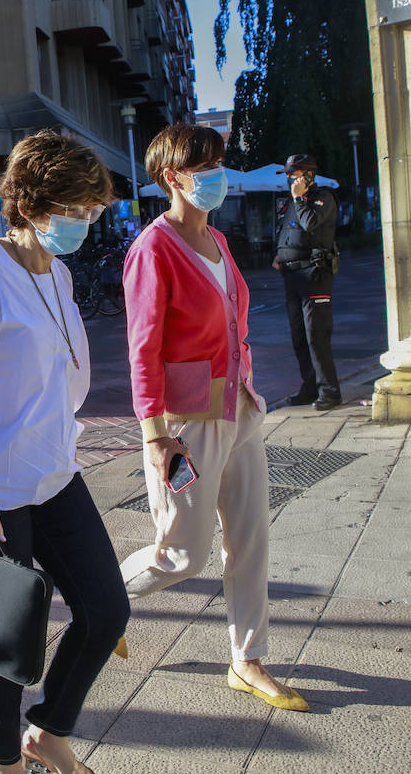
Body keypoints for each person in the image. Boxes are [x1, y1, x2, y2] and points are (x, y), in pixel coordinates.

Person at [0, 130, 128, 774]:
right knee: (8, 637)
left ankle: (48, 729)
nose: (88, 222)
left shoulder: (58, 272)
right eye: (78, 210)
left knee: (105, 608)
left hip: (53, 471)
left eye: (95, 211)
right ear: (34, 203)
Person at [121, 123, 309, 713]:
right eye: (205, 167)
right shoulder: (152, 248)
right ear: (172, 177)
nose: (217, 175)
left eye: (220, 163)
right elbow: (142, 349)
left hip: (240, 408)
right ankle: (98, 601)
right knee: (184, 553)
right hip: (186, 423)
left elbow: (234, 325)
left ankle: (248, 659)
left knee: (251, 538)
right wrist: (155, 435)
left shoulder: (220, 242)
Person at [272, 153, 341, 410]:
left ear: (309, 175)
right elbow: (290, 231)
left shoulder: (323, 198)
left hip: (316, 274)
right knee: (299, 335)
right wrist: (280, 253)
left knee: (316, 334)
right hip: (293, 275)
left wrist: (300, 198)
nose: (290, 179)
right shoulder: (293, 200)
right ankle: (310, 387)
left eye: (294, 174)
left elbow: (310, 223)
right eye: (289, 175)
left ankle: (330, 391)